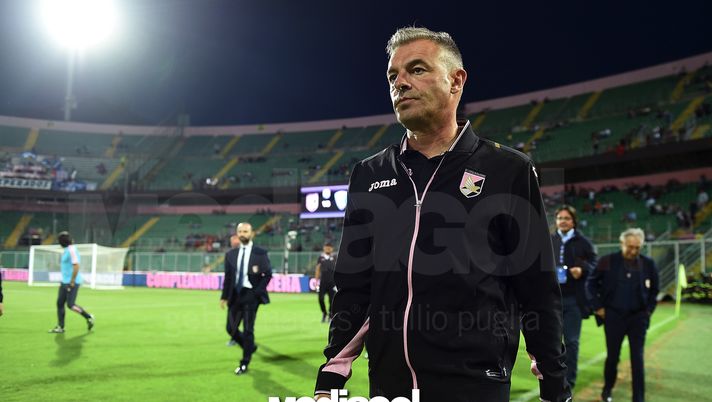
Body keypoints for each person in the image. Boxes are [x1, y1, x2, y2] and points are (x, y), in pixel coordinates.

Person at [314, 27, 571, 402]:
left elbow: (536, 288)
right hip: (388, 388)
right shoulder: (368, 175)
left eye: (416, 69)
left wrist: (554, 386)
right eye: (392, 76)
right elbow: (354, 287)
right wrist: (331, 378)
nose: (400, 83)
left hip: (475, 386)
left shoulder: (508, 169)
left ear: (456, 81)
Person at [586, 228, 659, 402]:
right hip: (613, 317)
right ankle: (607, 390)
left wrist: (648, 311)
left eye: (637, 247)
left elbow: (655, 291)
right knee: (612, 357)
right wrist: (598, 307)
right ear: (622, 244)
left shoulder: (649, 264)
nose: (633, 251)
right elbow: (591, 284)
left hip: (638, 318)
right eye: (630, 246)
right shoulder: (607, 260)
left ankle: (638, 398)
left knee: (637, 359)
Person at [551, 205, 597, 390]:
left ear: (574, 221)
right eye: (560, 218)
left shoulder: (583, 242)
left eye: (567, 218)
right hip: (551, 299)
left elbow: (595, 264)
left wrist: (583, 269)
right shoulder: (548, 241)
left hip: (574, 300)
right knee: (552, 343)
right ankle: (552, 378)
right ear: (556, 221)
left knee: (571, 341)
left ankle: (569, 381)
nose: (563, 221)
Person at [220, 222, 272, 375]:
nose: (242, 234)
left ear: (251, 233)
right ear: (237, 234)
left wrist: (257, 292)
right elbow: (228, 278)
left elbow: (267, 274)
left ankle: (245, 362)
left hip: (251, 296)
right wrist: (224, 297)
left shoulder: (260, 253)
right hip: (235, 296)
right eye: (240, 231)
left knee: (248, 330)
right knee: (230, 329)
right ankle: (250, 347)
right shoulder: (231, 254)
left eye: (245, 231)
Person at [48, 232, 95, 333]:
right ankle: (61, 327)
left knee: (70, 305)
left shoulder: (72, 250)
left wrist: (72, 281)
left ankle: (89, 317)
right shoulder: (66, 250)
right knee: (60, 303)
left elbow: (76, 265)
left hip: (72, 282)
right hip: (64, 282)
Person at [314, 242, 337, 323]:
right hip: (323, 282)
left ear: (332, 248)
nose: (328, 248)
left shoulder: (335, 257)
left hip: (332, 283)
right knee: (320, 299)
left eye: (329, 247)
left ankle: (330, 315)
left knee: (332, 300)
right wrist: (316, 280)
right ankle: (324, 313)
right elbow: (317, 269)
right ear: (324, 248)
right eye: (326, 247)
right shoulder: (321, 257)